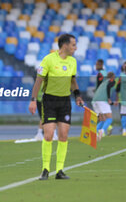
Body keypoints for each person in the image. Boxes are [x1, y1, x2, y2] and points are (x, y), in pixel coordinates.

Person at [29, 34, 84, 180]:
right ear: (65, 45)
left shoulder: (73, 61)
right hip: (49, 101)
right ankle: (45, 169)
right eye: (73, 44)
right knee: (48, 135)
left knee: (63, 136)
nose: (75, 47)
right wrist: (33, 100)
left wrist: (78, 95)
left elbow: (73, 80)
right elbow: (38, 81)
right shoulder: (49, 59)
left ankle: (60, 170)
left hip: (65, 101)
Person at [92, 72, 116, 140]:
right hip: (102, 100)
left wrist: (111, 103)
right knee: (109, 118)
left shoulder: (103, 82)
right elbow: (109, 86)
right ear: (112, 77)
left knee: (102, 119)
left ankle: (95, 133)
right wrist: (108, 98)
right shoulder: (111, 81)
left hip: (94, 101)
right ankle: (102, 131)